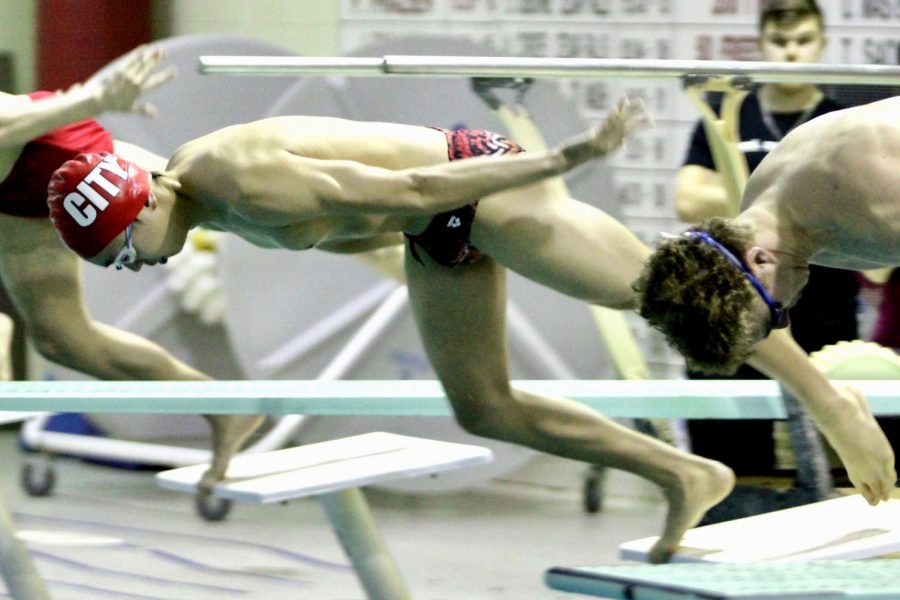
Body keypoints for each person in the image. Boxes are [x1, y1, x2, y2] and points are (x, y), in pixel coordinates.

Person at [46, 97, 894, 562]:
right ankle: (687, 474)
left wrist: (558, 162)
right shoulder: (187, 190)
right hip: (434, 226)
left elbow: (418, 189)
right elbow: (373, 221)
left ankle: (833, 404)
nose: (127, 268)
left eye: (123, 249)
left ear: (147, 198)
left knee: (679, 294)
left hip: (476, 187)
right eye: (111, 264)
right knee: (482, 405)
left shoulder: (245, 182)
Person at [0, 45, 263, 470]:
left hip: (58, 149)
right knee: (60, 341)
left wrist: (95, 100)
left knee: (237, 212)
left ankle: (384, 227)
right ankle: (225, 406)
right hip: (14, 192)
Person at [675, 0, 860, 481]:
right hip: (736, 311)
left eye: (802, 42)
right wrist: (804, 199)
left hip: (823, 319)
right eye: (781, 42)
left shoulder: (840, 119)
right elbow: (688, 198)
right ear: (763, 45)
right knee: (732, 469)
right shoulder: (726, 117)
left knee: (830, 474)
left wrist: (753, 195)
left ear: (820, 44)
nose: (792, 53)